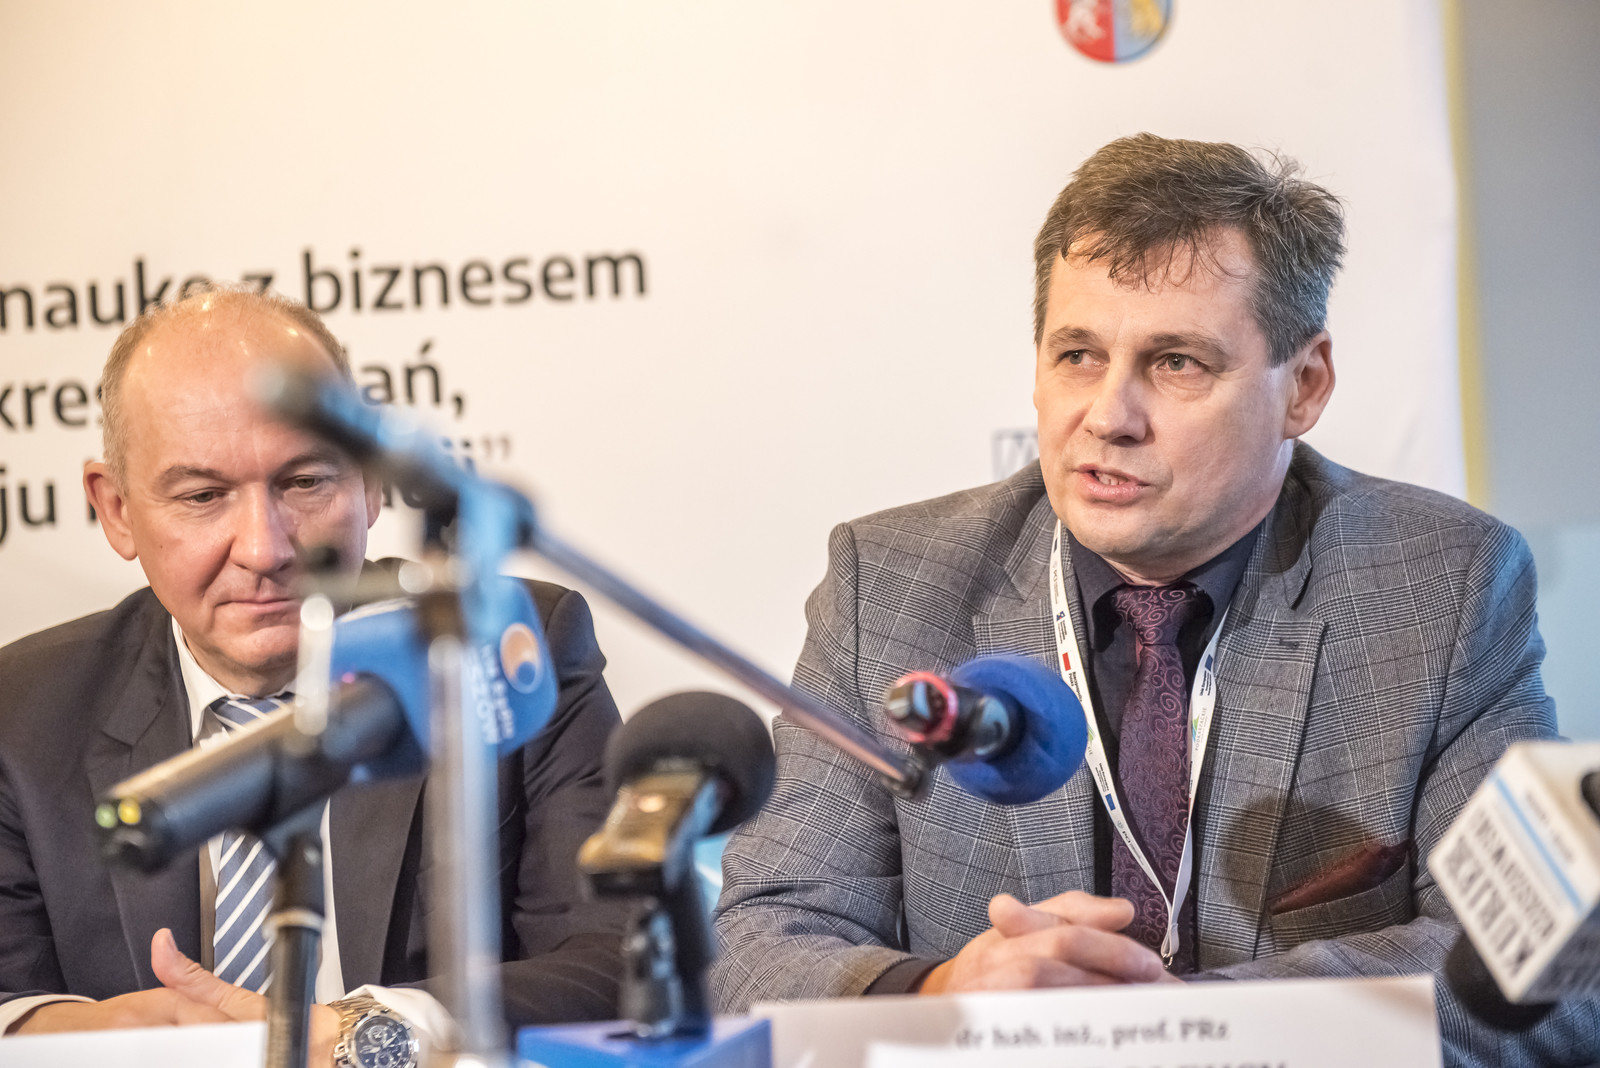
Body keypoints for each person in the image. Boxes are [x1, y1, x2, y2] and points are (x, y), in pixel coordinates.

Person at [712, 134, 1599, 1064]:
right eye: (1078, 355)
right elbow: (760, 941)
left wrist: (1176, 1030)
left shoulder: (1437, 584)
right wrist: (944, 996)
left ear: (1304, 387)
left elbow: (1545, 973)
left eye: (1176, 362)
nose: (1108, 417)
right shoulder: (891, 583)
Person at [0, 286, 626, 1063]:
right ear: (117, 510)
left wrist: (356, 1033)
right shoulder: (22, 712)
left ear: (370, 484)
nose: (265, 549)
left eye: (304, 482)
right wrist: (60, 1032)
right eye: (203, 496)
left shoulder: (499, 647)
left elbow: (615, 959)